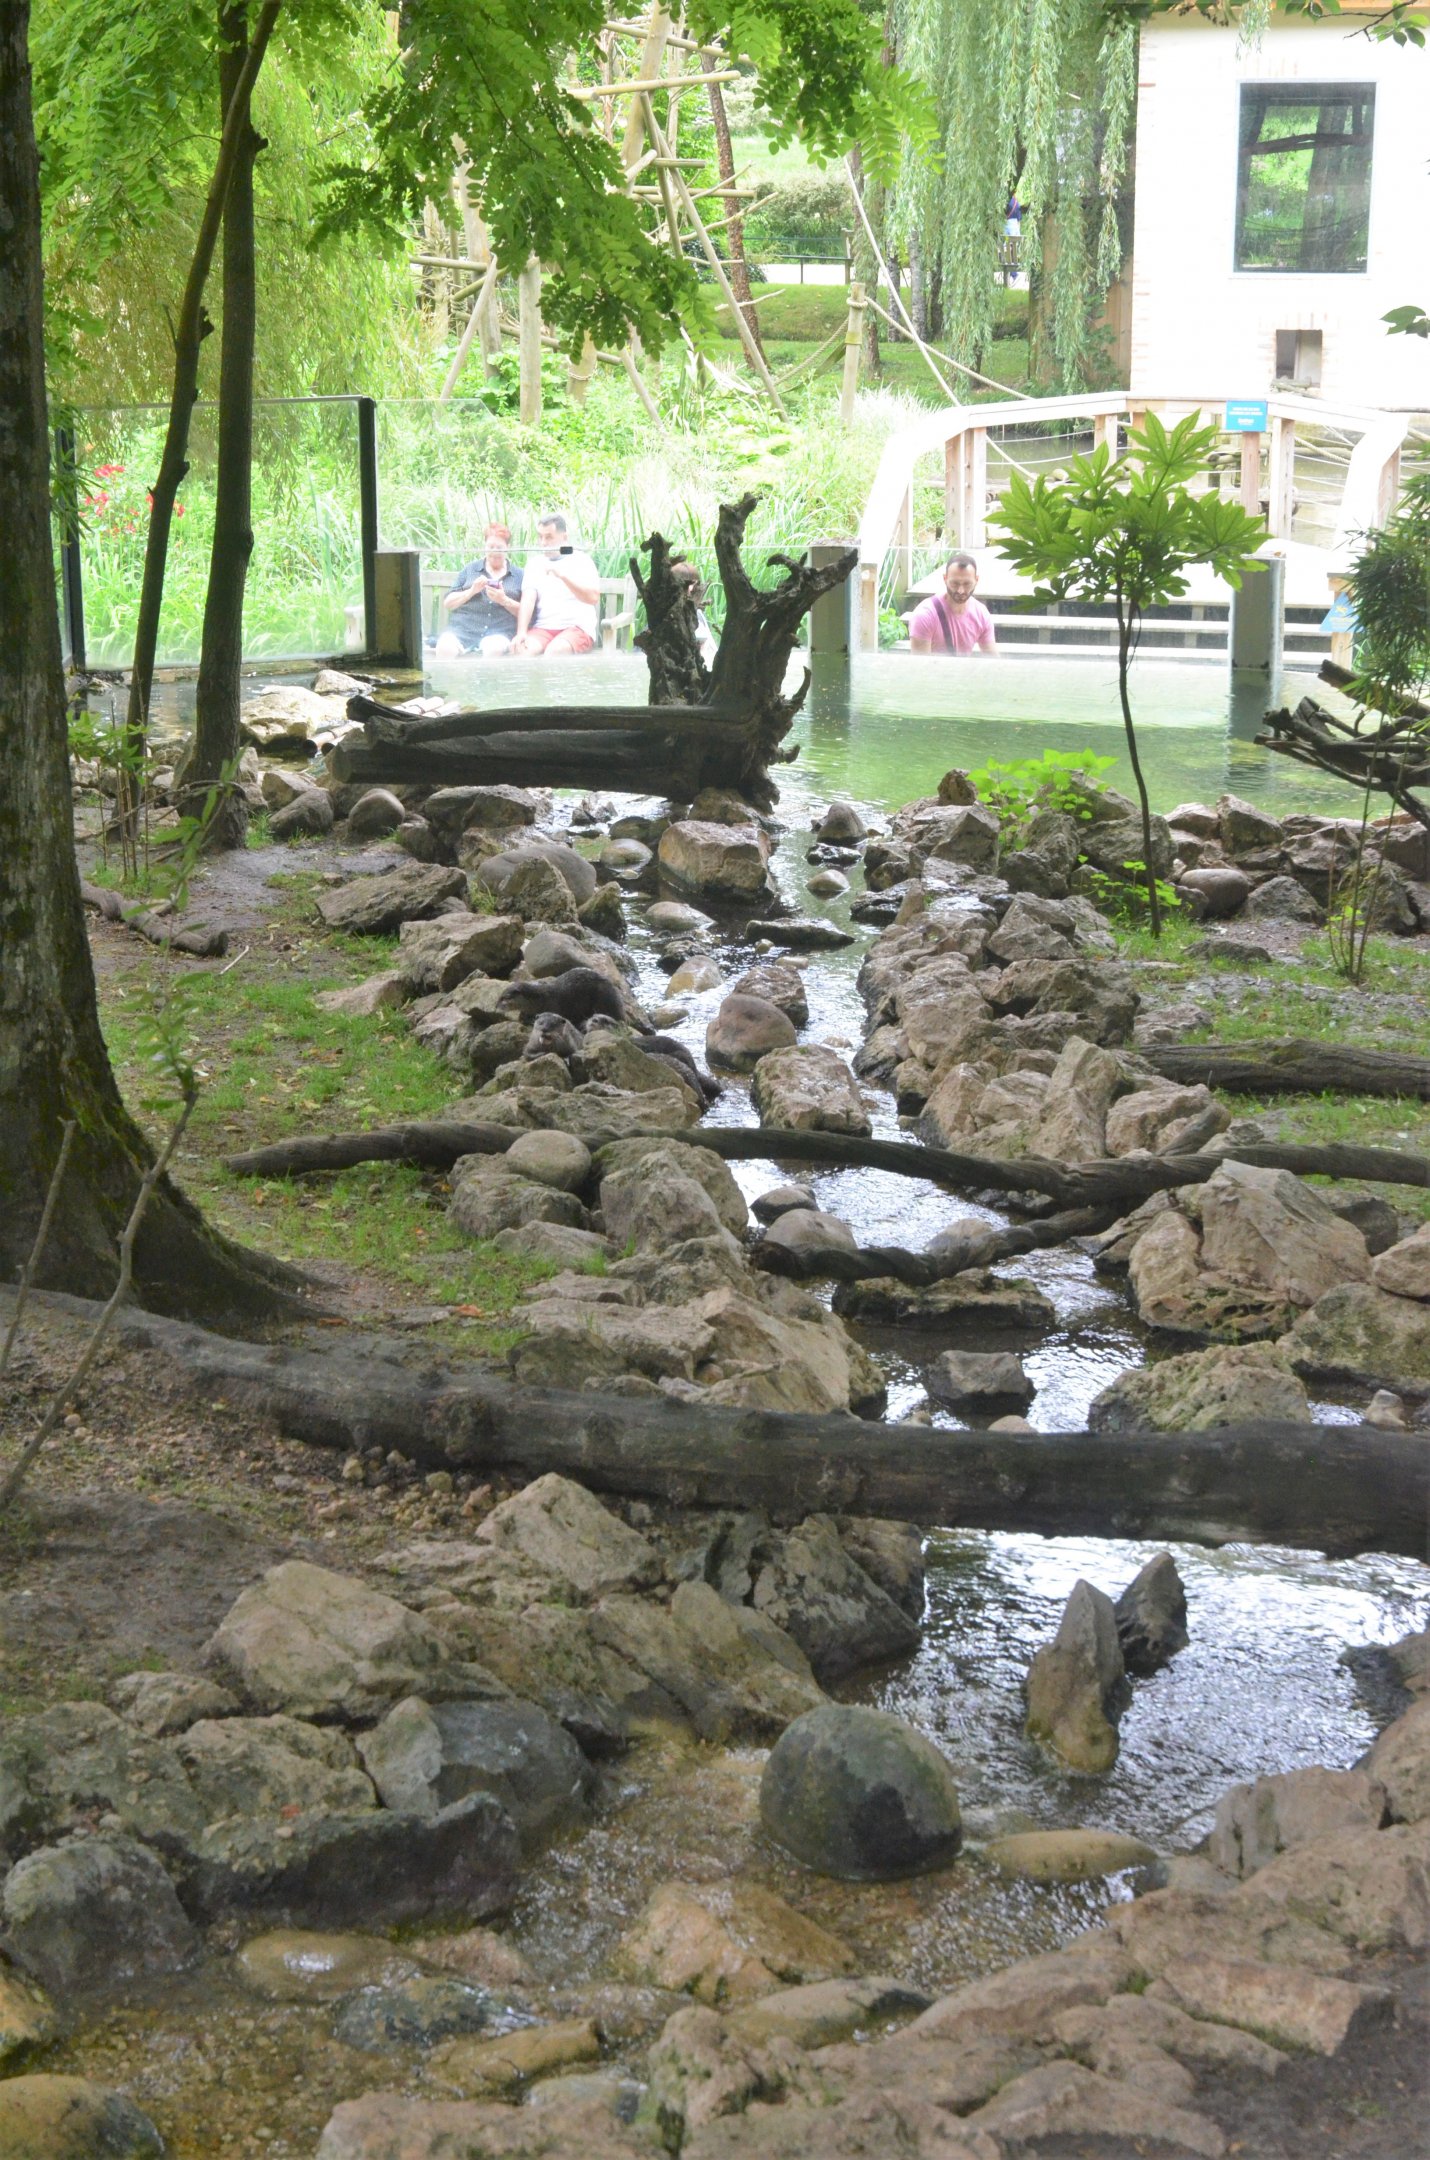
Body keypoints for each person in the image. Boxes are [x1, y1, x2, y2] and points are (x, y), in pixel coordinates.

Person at [512, 513, 600, 656]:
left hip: (576, 629)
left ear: (564, 537)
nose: (543, 543)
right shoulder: (534, 564)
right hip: (543, 629)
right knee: (522, 650)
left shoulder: (582, 560)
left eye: (548, 537)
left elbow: (593, 598)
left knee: (554, 651)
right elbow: (527, 600)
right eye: (540, 537)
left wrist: (563, 577)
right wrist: (521, 632)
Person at [434, 524, 523, 657]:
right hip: (463, 631)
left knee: (493, 649)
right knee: (445, 647)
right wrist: (471, 591)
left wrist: (504, 600)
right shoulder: (470, 570)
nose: (494, 552)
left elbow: (528, 613)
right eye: (490, 547)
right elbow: (448, 603)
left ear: (507, 548)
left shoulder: (519, 575)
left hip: (499, 633)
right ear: (484, 547)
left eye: (499, 548)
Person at [909, 554, 998, 656]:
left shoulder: (981, 614)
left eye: (967, 584)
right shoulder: (925, 615)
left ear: (976, 580)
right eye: (955, 583)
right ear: (945, 579)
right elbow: (919, 667)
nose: (960, 591)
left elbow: (993, 659)